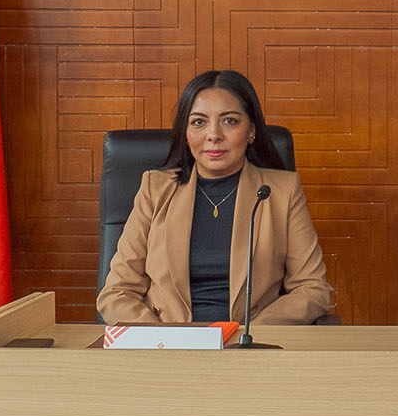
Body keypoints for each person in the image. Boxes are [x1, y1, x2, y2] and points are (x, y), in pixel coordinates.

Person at [98, 70, 332, 325]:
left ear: (251, 130)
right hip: (168, 349)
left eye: (229, 121)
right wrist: (165, 340)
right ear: (185, 133)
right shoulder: (156, 189)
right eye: (198, 122)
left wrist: (250, 335)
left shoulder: (281, 192)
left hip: (248, 351)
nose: (213, 134)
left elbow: (312, 288)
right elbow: (116, 293)